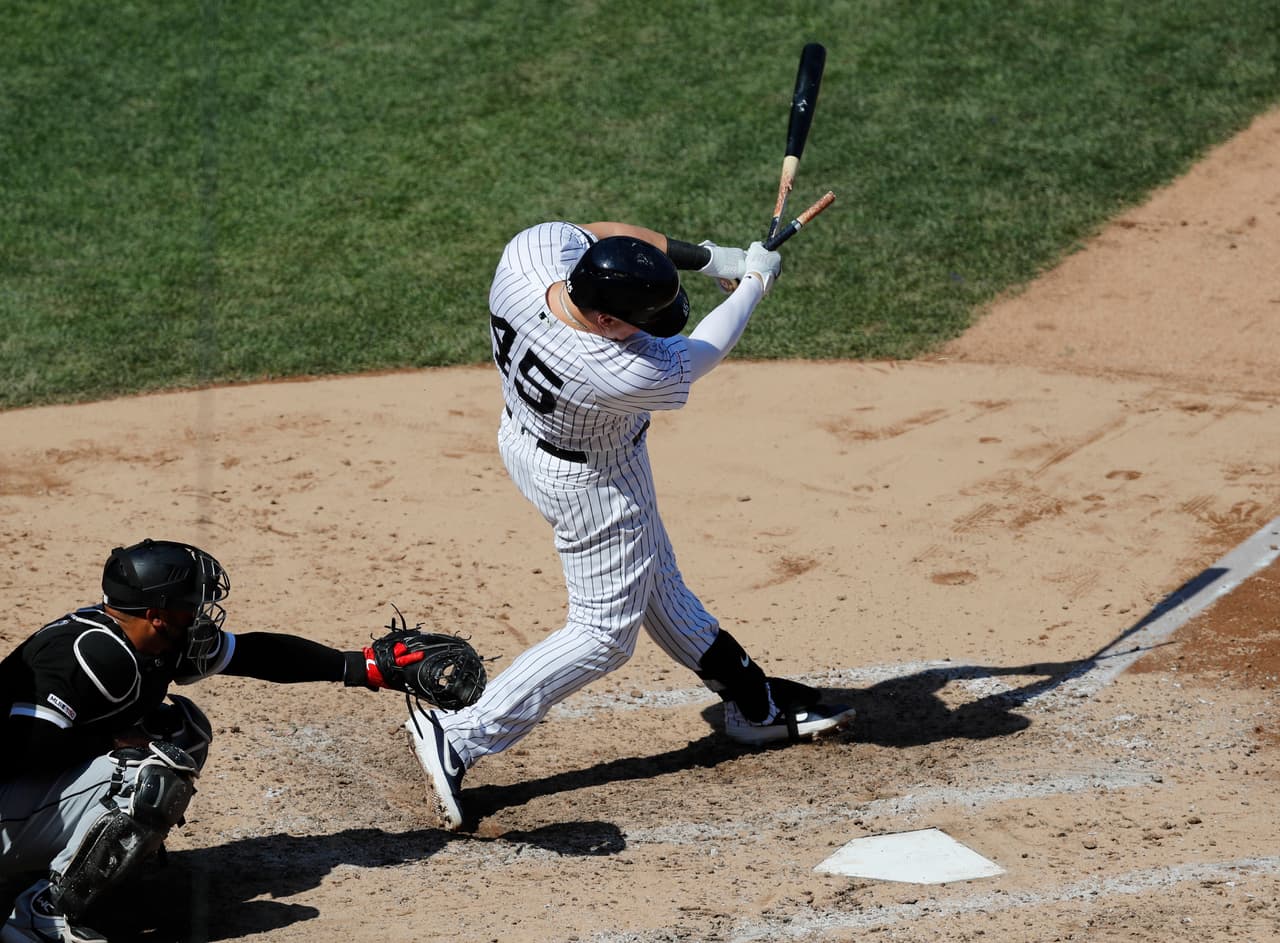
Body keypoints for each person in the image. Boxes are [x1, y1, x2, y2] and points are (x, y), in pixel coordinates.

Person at [404, 221, 855, 831]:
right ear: (609, 322)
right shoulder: (619, 370)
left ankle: (750, 700)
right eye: (642, 320)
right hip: (593, 484)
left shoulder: (525, 258)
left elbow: (604, 230)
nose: (652, 327)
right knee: (604, 634)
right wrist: (749, 284)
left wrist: (709, 256)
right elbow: (704, 353)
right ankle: (460, 733)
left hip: (526, 439)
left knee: (655, 582)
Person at [0, 538, 415, 943]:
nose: (200, 614)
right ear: (157, 614)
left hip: (21, 803)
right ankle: (41, 919)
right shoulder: (88, 655)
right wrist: (115, 741)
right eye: (190, 605)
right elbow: (18, 749)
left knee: (179, 729)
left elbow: (254, 654)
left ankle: (64, 868)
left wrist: (360, 666)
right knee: (150, 772)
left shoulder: (150, 638)